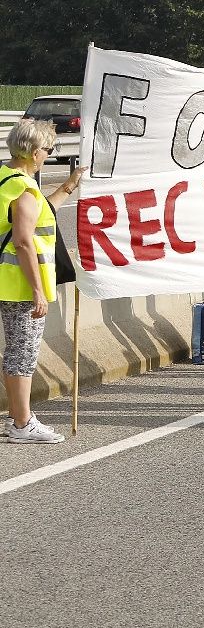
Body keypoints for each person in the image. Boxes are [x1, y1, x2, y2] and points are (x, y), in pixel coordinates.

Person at [0, 120, 64, 443]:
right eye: (48, 150)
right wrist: (38, 290)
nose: (48, 156)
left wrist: (68, 186)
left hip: (6, 281)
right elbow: (24, 241)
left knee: (15, 351)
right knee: (23, 352)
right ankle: (23, 423)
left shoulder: (3, 178)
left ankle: (17, 418)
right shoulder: (24, 189)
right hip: (21, 284)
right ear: (34, 152)